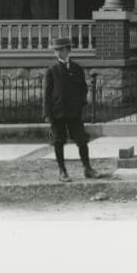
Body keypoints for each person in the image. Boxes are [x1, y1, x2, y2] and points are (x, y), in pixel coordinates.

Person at [43, 37, 102, 181]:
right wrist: (47, 114)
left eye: (61, 49)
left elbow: (83, 88)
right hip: (58, 113)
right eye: (56, 50)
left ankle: (88, 168)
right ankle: (62, 171)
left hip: (74, 113)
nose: (58, 52)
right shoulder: (52, 70)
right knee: (59, 141)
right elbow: (47, 93)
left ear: (68, 50)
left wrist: (80, 103)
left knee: (82, 140)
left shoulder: (77, 68)